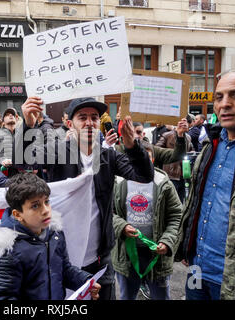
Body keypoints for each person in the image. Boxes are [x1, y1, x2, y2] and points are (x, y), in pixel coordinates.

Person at [14, 96, 154, 300]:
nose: (89, 122)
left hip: (100, 259)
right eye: (83, 117)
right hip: (64, 257)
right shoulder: (58, 151)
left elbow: (144, 176)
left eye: (94, 117)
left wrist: (133, 146)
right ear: (70, 124)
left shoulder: (108, 156)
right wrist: (26, 124)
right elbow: (22, 160)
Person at [176, 68, 235, 300]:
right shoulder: (212, 144)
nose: (224, 104)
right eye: (219, 97)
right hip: (197, 271)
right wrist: (187, 242)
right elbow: (197, 201)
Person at [0, 173, 101, 300]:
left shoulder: (54, 233)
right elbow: (2, 297)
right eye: (35, 206)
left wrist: (86, 282)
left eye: (46, 202)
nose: (46, 210)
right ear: (17, 214)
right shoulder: (7, 250)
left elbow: (63, 269)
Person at [112, 141, 182, 300]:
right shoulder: (118, 182)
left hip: (157, 256)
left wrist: (168, 240)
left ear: (152, 160)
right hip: (126, 254)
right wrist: (121, 226)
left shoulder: (163, 183)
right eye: (134, 159)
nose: (140, 163)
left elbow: (176, 215)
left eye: (145, 158)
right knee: (126, 296)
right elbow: (108, 213)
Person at [156, 123, 194, 204]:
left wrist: (191, 153)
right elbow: (157, 150)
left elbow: (191, 149)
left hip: (184, 174)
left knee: (180, 201)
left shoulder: (188, 137)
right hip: (171, 174)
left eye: (186, 123)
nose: (185, 125)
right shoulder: (167, 135)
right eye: (183, 123)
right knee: (170, 202)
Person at [0, 107, 20, 177]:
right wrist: (1, 161)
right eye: (7, 115)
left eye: (12, 114)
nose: (11, 115)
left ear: (16, 119)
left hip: (22, 174)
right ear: (3, 121)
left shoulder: (22, 134)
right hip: (6, 174)